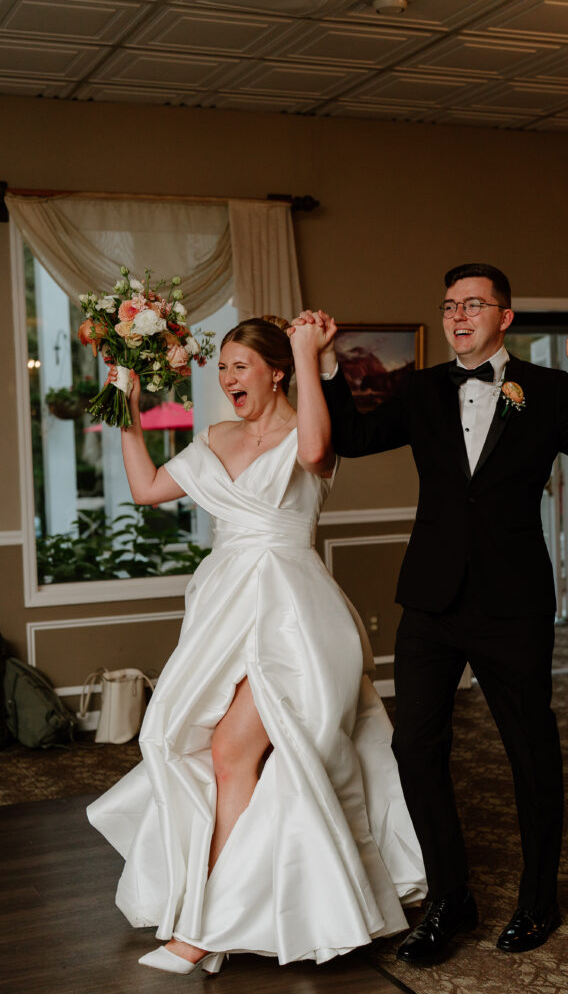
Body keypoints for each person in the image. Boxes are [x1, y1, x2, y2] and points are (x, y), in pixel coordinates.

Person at [290, 263, 568, 965]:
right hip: (430, 599)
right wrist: (325, 364)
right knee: (414, 749)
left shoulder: (542, 388)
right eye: (449, 305)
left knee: (529, 753)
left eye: (472, 304)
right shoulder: (421, 388)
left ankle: (537, 900)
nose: (457, 316)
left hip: (513, 604)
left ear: (503, 317)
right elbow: (352, 439)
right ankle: (451, 898)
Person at [87, 316, 426, 976]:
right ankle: (245, 907)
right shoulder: (215, 437)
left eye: (241, 366)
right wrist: (127, 412)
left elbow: (311, 454)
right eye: (224, 367)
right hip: (222, 614)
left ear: (275, 371)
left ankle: (202, 931)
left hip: (294, 619)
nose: (227, 378)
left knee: (230, 751)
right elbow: (148, 489)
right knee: (189, 745)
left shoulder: (312, 433)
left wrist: (307, 353)